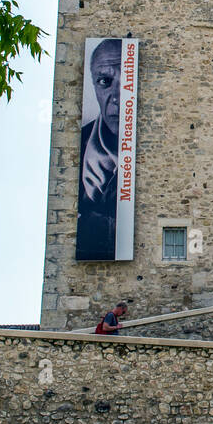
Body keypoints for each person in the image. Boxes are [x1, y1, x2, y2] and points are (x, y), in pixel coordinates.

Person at [76, 39, 123, 261]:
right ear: (94, 86)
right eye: (105, 81)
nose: (117, 97)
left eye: (127, 83)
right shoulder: (81, 143)